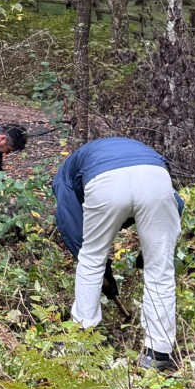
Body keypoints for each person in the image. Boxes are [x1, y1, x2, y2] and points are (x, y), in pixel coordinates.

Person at [53, 137, 183, 371]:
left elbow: (71, 223)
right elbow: (176, 205)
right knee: (160, 268)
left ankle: (80, 338)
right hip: (155, 178)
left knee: (91, 260)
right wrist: (150, 252)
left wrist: (101, 268)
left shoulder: (67, 173)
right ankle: (158, 353)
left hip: (104, 182)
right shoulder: (141, 152)